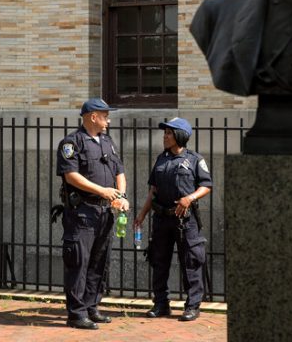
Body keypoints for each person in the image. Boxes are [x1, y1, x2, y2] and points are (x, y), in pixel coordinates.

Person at [56, 98, 129, 330]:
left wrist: (120, 196)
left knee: (99, 262)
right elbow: (71, 176)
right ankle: (76, 314)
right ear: (92, 117)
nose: (108, 120)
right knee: (79, 261)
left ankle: (91, 306)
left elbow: (119, 170)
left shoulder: (107, 141)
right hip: (83, 212)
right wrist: (102, 191)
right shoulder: (72, 143)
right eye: (105, 115)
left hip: (105, 211)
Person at [134, 118, 212, 322]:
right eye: (165, 133)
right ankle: (161, 304)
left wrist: (190, 198)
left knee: (191, 262)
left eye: (169, 133)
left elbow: (206, 186)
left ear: (180, 136)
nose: (165, 136)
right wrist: (142, 214)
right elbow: (153, 190)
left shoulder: (195, 160)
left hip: (185, 221)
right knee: (159, 262)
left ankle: (192, 306)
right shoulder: (161, 159)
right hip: (161, 219)